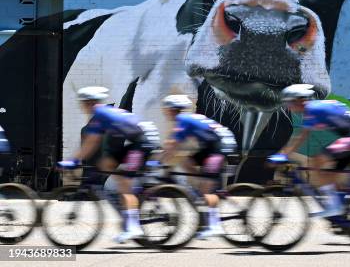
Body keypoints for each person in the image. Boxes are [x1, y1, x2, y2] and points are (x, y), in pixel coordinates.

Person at [57, 86, 160, 243]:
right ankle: (130, 211)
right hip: (134, 142)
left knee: (124, 184)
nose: (81, 106)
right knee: (105, 165)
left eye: (83, 102)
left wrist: (72, 161)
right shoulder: (102, 114)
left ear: (90, 102)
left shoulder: (100, 115)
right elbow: (93, 144)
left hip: (142, 143)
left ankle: (133, 227)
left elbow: (90, 143)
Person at [270, 84, 350, 217]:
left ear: (299, 100)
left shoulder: (312, 110)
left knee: (316, 162)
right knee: (332, 177)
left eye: (288, 103)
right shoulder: (314, 108)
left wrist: (282, 155)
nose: (287, 107)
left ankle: (334, 207)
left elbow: (300, 138)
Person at [161, 94, 237, 239]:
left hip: (219, 147)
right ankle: (199, 186)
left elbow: (172, 145)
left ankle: (215, 226)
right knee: (182, 160)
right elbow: (173, 145)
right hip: (211, 146)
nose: (165, 112)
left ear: (172, 110)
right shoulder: (187, 119)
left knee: (206, 190)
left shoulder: (182, 119)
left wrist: (161, 163)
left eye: (166, 109)